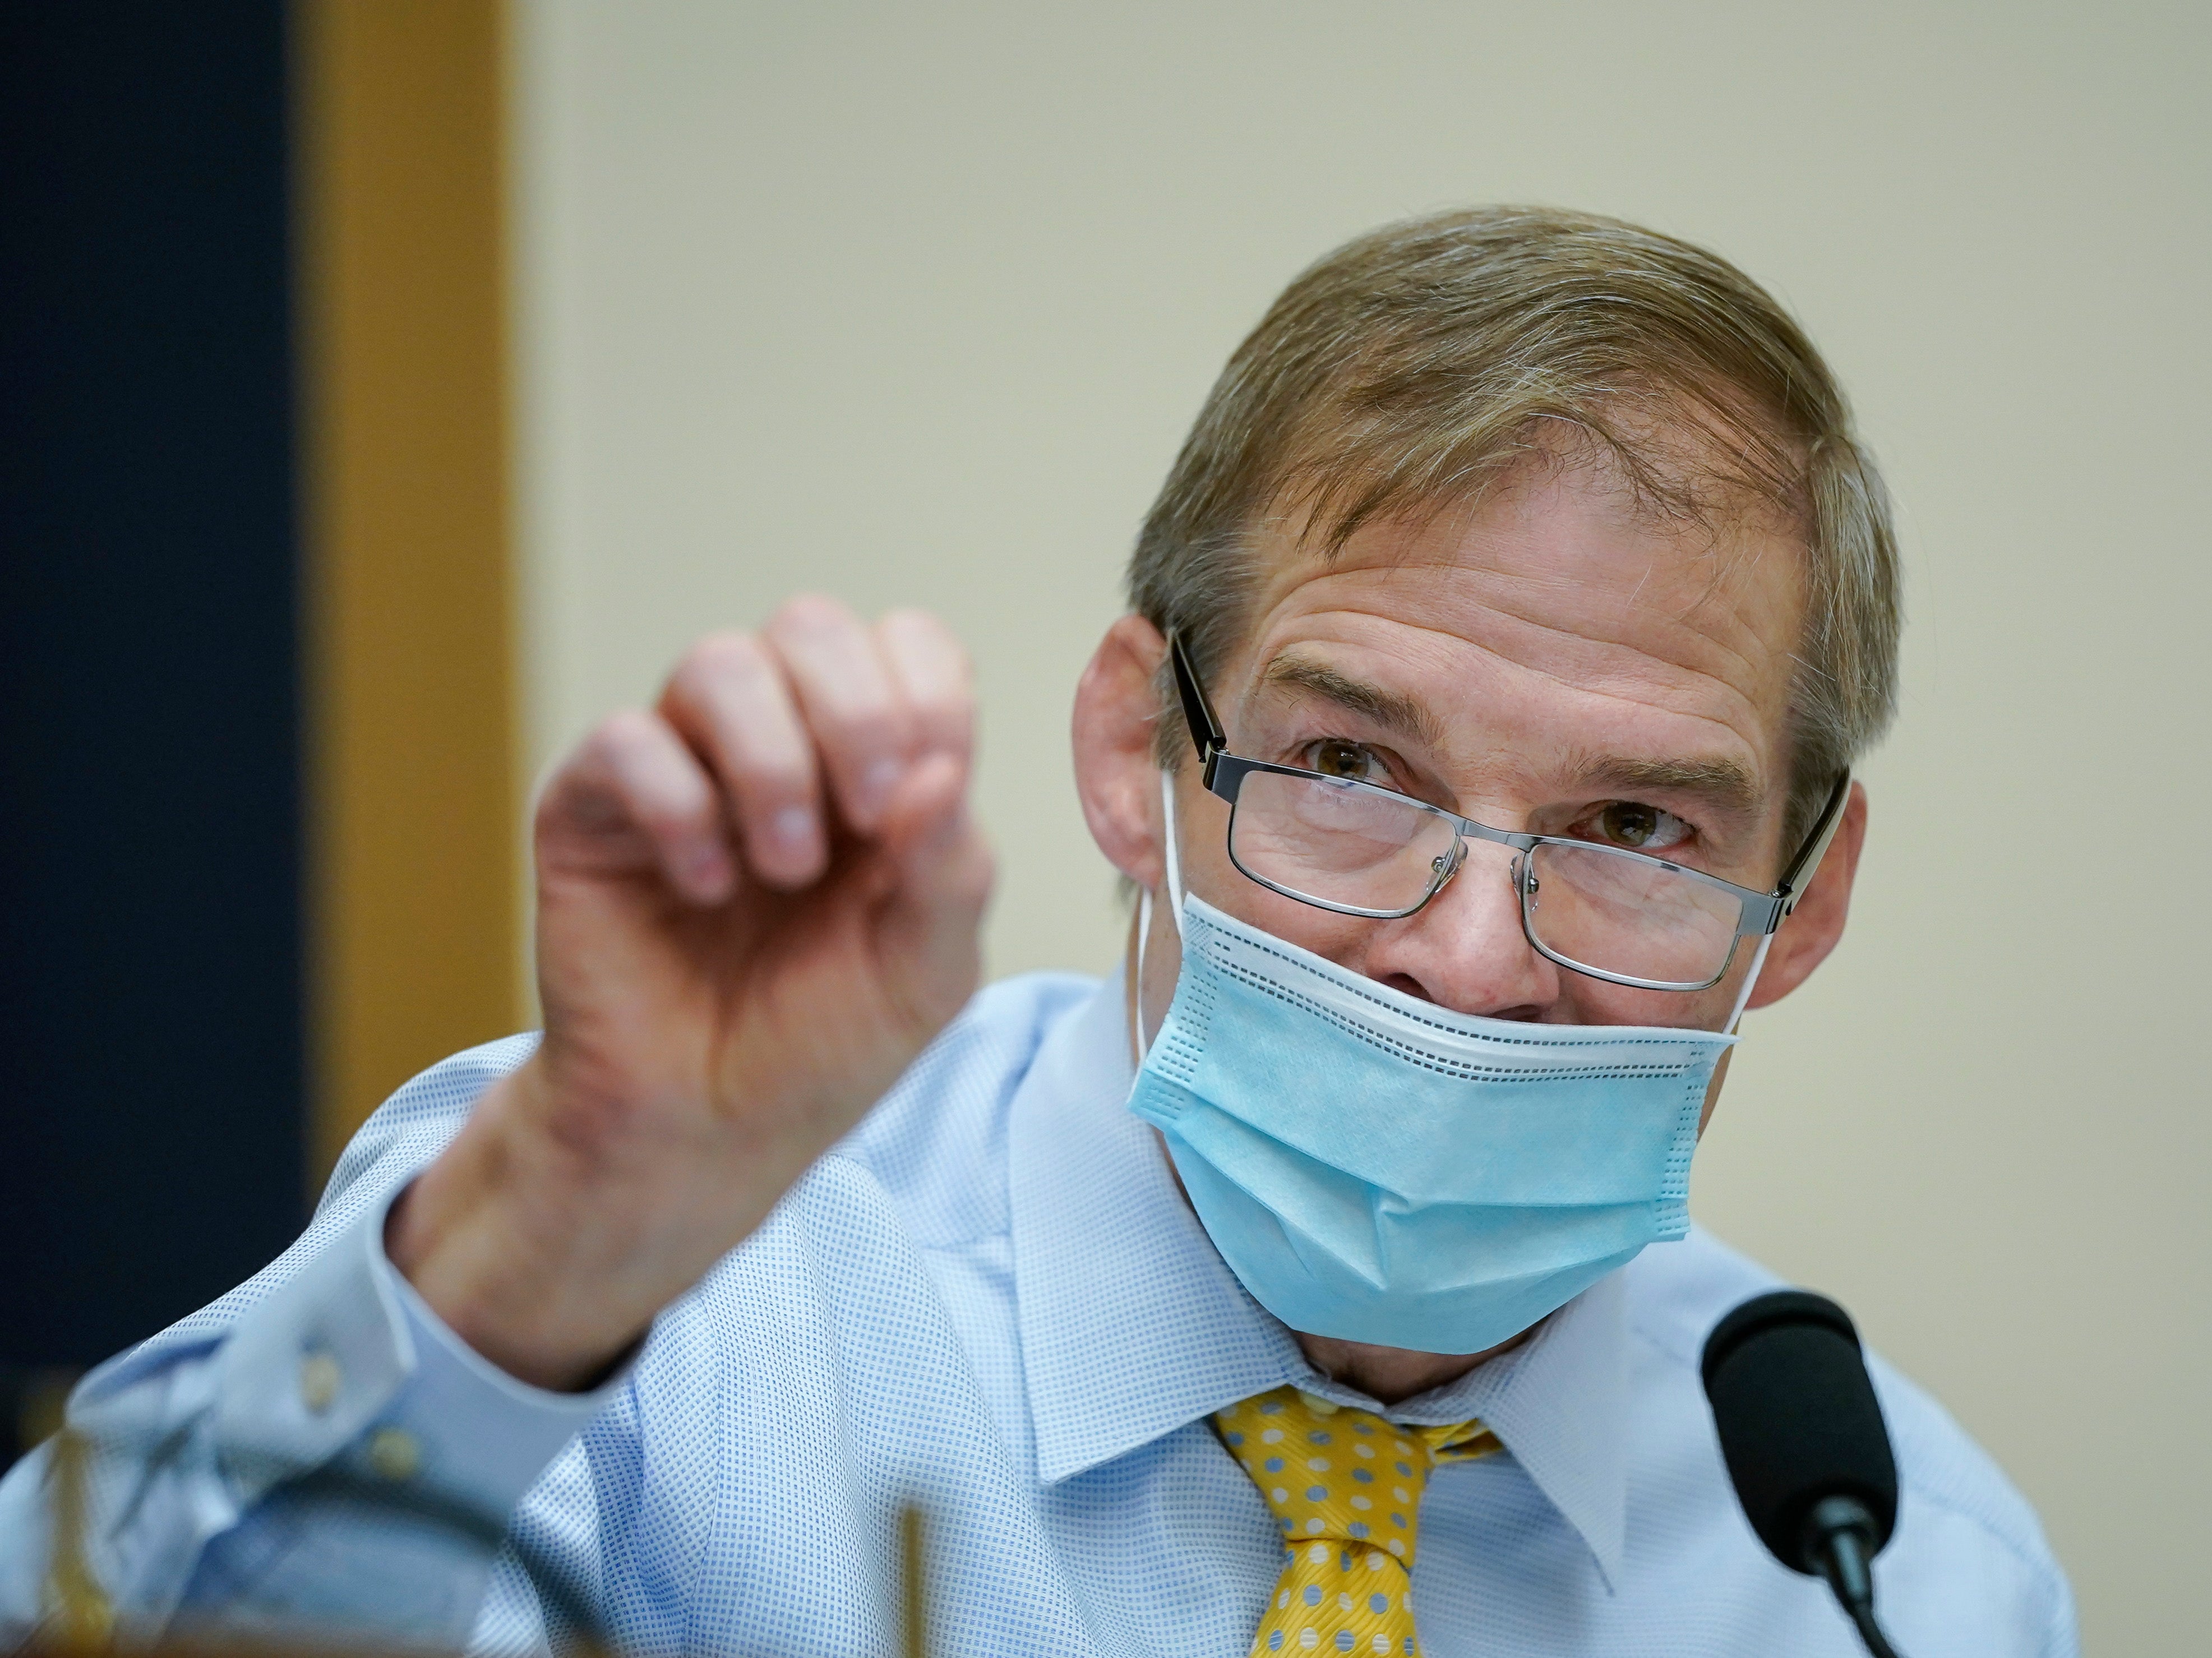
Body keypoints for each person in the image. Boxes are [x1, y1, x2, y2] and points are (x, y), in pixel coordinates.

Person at [1, 207, 2075, 1657]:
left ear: (1804, 903)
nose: (1466, 962)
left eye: (1632, 828)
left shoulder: (1900, 1578)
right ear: (1125, 747)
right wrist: (537, 1251)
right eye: (1349, 766)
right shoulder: (635, 1287)